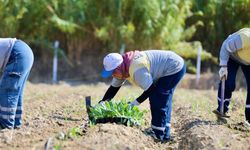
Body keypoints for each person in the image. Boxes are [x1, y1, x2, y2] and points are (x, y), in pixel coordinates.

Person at [99, 50, 186, 142]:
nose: (113, 75)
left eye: (113, 72)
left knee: (157, 98)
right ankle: (165, 132)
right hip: (171, 64)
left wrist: (134, 103)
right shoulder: (122, 68)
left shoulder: (136, 69)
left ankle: (158, 134)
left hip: (173, 66)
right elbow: (113, 89)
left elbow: (150, 90)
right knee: (163, 98)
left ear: (119, 67)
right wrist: (102, 102)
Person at [213, 28, 250, 125]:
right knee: (229, 83)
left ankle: (249, 119)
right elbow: (226, 46)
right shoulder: (245, 38)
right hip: (232, 55)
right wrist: (223, 66)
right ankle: (222, 110)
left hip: (248, 61)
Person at [0, 38, 34, 129]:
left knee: (7, 90)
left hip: (17, 54)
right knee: (16, 93)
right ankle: (16, 123)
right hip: (24, 52)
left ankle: (6, 126)